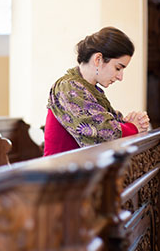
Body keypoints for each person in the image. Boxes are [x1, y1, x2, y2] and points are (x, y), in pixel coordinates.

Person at [44, 26, 150, 156]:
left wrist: (133, 122)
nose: (120, 77)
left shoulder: (92, 90)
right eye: (118, 68)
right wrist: (133, 127)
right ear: (98, 59)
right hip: (60, 172)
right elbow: (101, 130)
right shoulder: (67, 86)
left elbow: (111, 122)